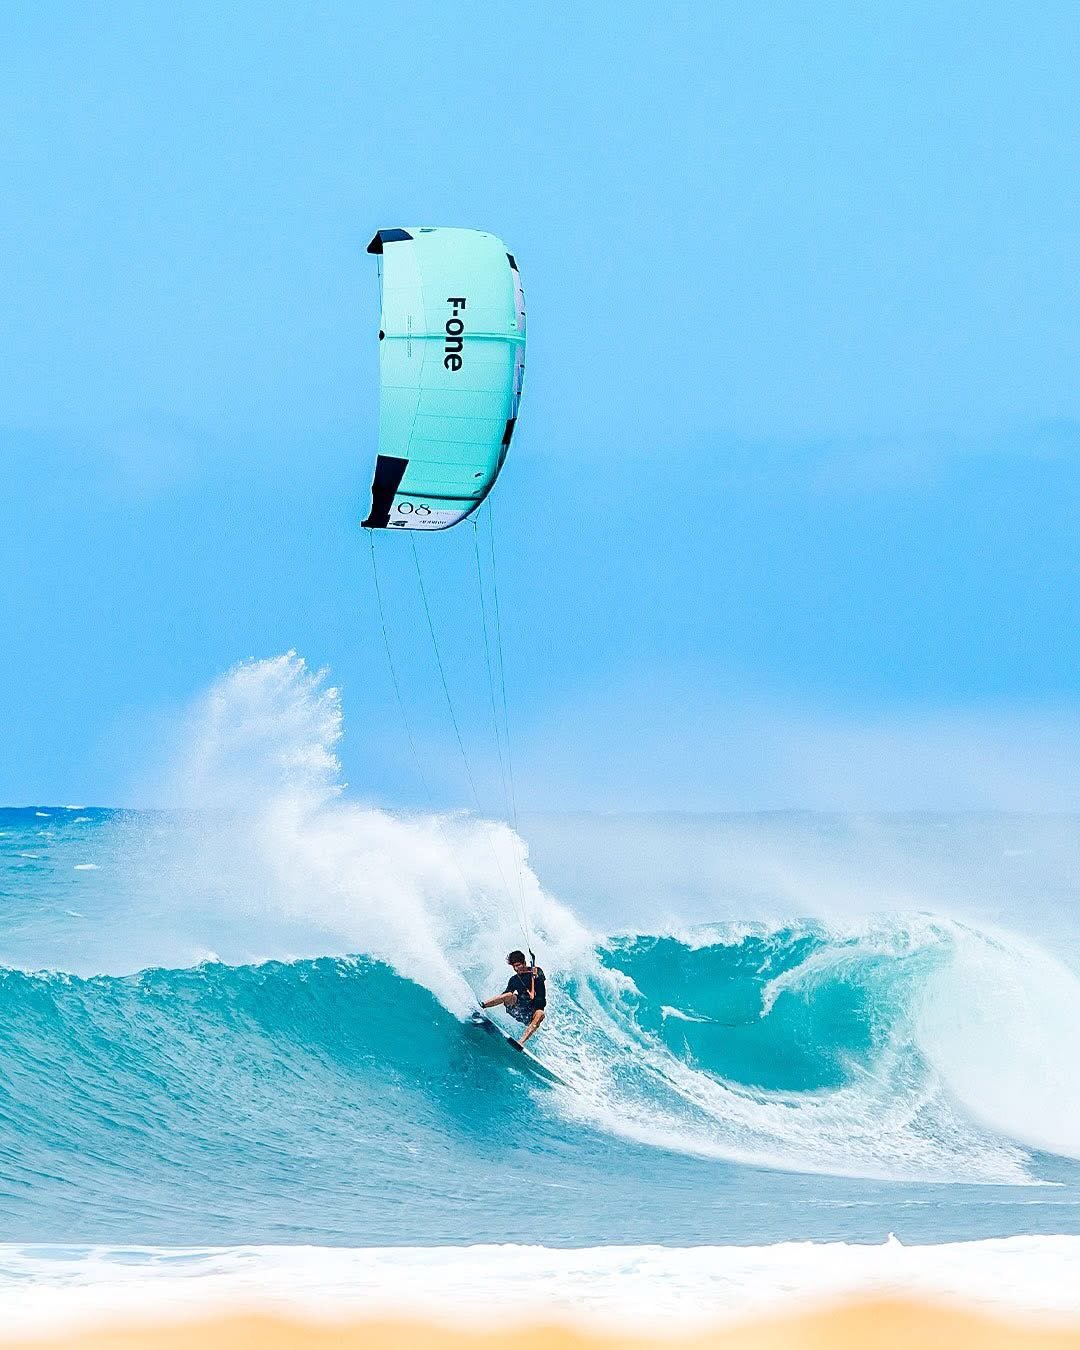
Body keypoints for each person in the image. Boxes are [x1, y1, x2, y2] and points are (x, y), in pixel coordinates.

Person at [481, 950, 547, 1048]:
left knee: (541, 1014)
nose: (516, 969)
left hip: (531, 1013)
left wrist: (536, 974)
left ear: (524, 963)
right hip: (518, 1009)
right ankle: (482, 1006)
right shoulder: (514, 980)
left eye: (518, 965)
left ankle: (520, 1042)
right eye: (514, 966)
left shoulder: (537, 971)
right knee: (508, 995)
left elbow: (541, 977)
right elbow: (505, 996)